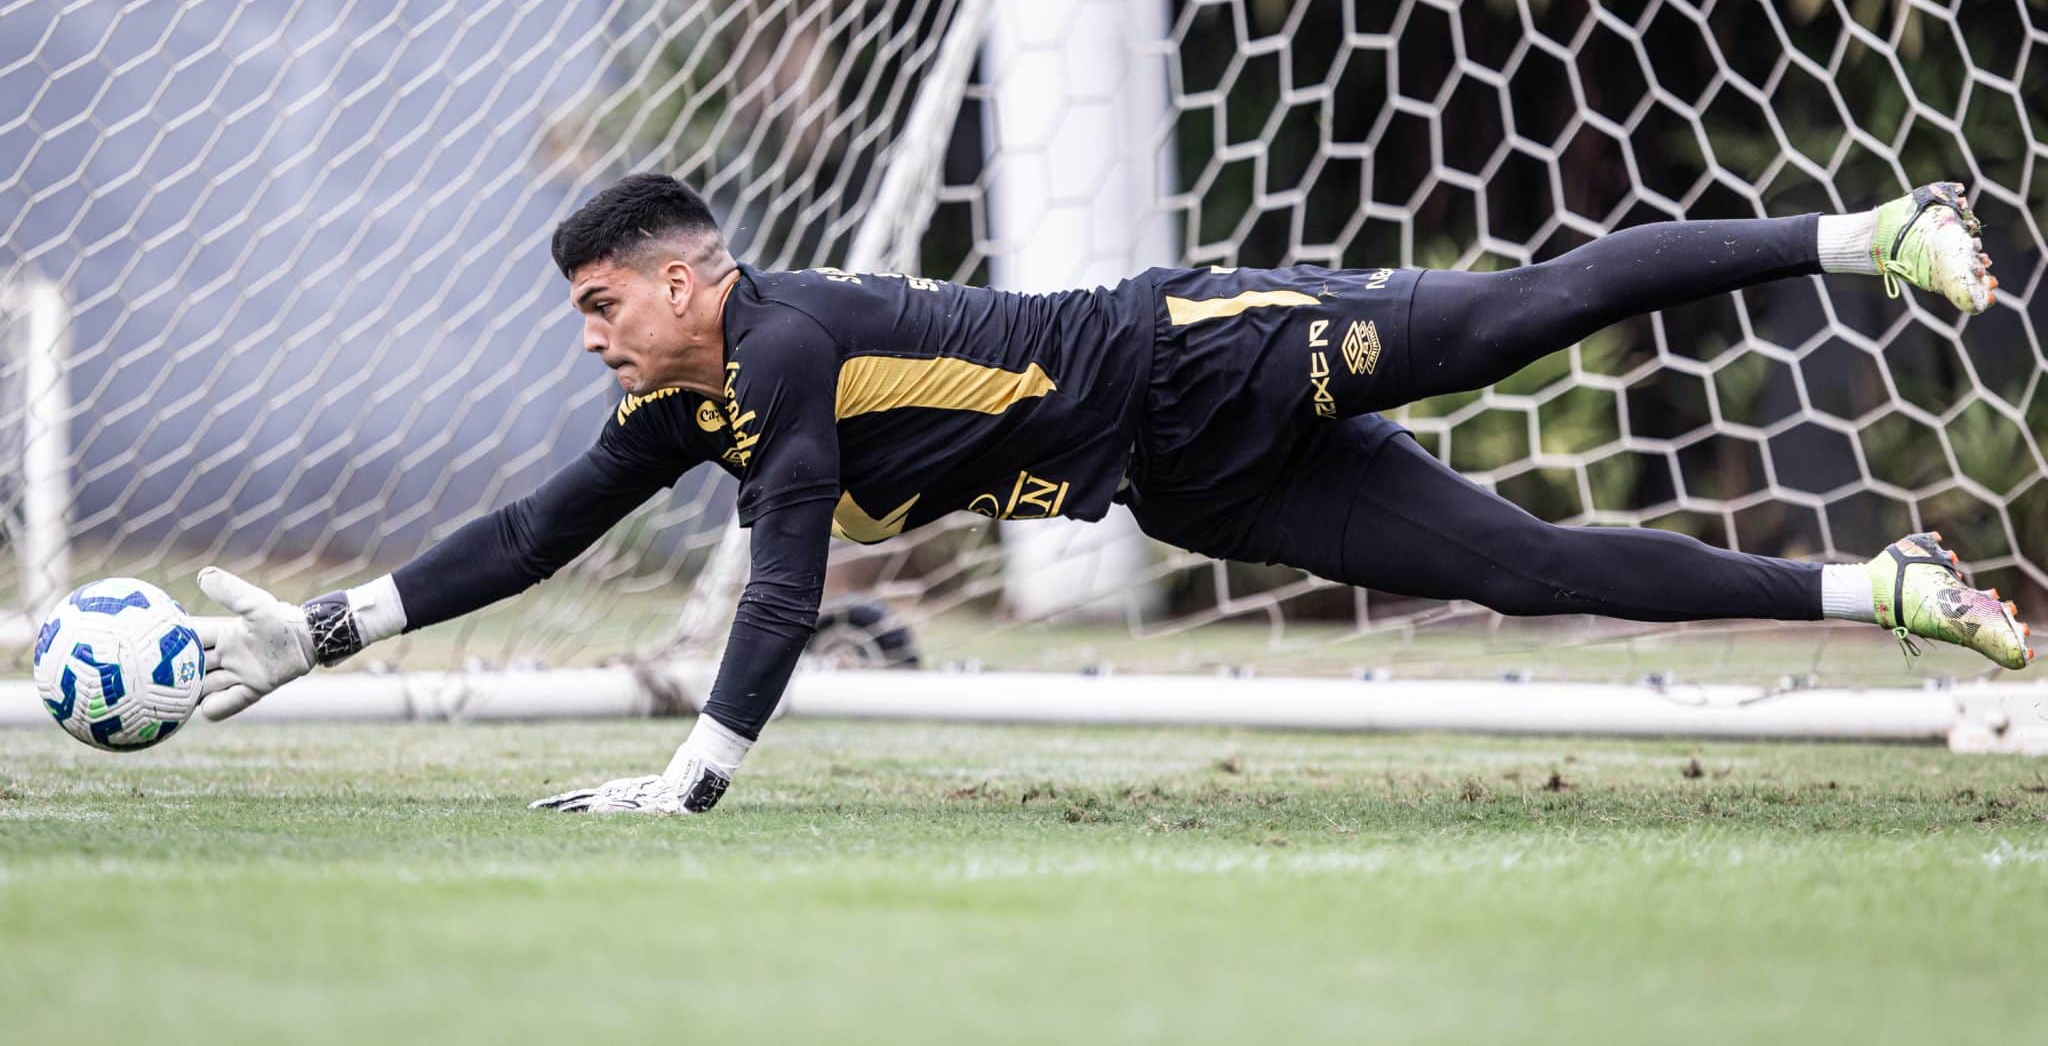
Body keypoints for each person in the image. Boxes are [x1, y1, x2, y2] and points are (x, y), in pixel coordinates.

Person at [191, 173, 2030, 814]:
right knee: (1530, 564)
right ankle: (1892, 594)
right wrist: (324, 633)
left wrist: (697, 776)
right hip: (1180, 480)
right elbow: (529, 536)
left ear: (688, 280)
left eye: (603, 308)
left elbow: (786, 571)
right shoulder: (692, 405)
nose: (591, 342)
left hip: (1204, 349)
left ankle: (1874, 233)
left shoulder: (778, 344)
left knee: (1515, 317)